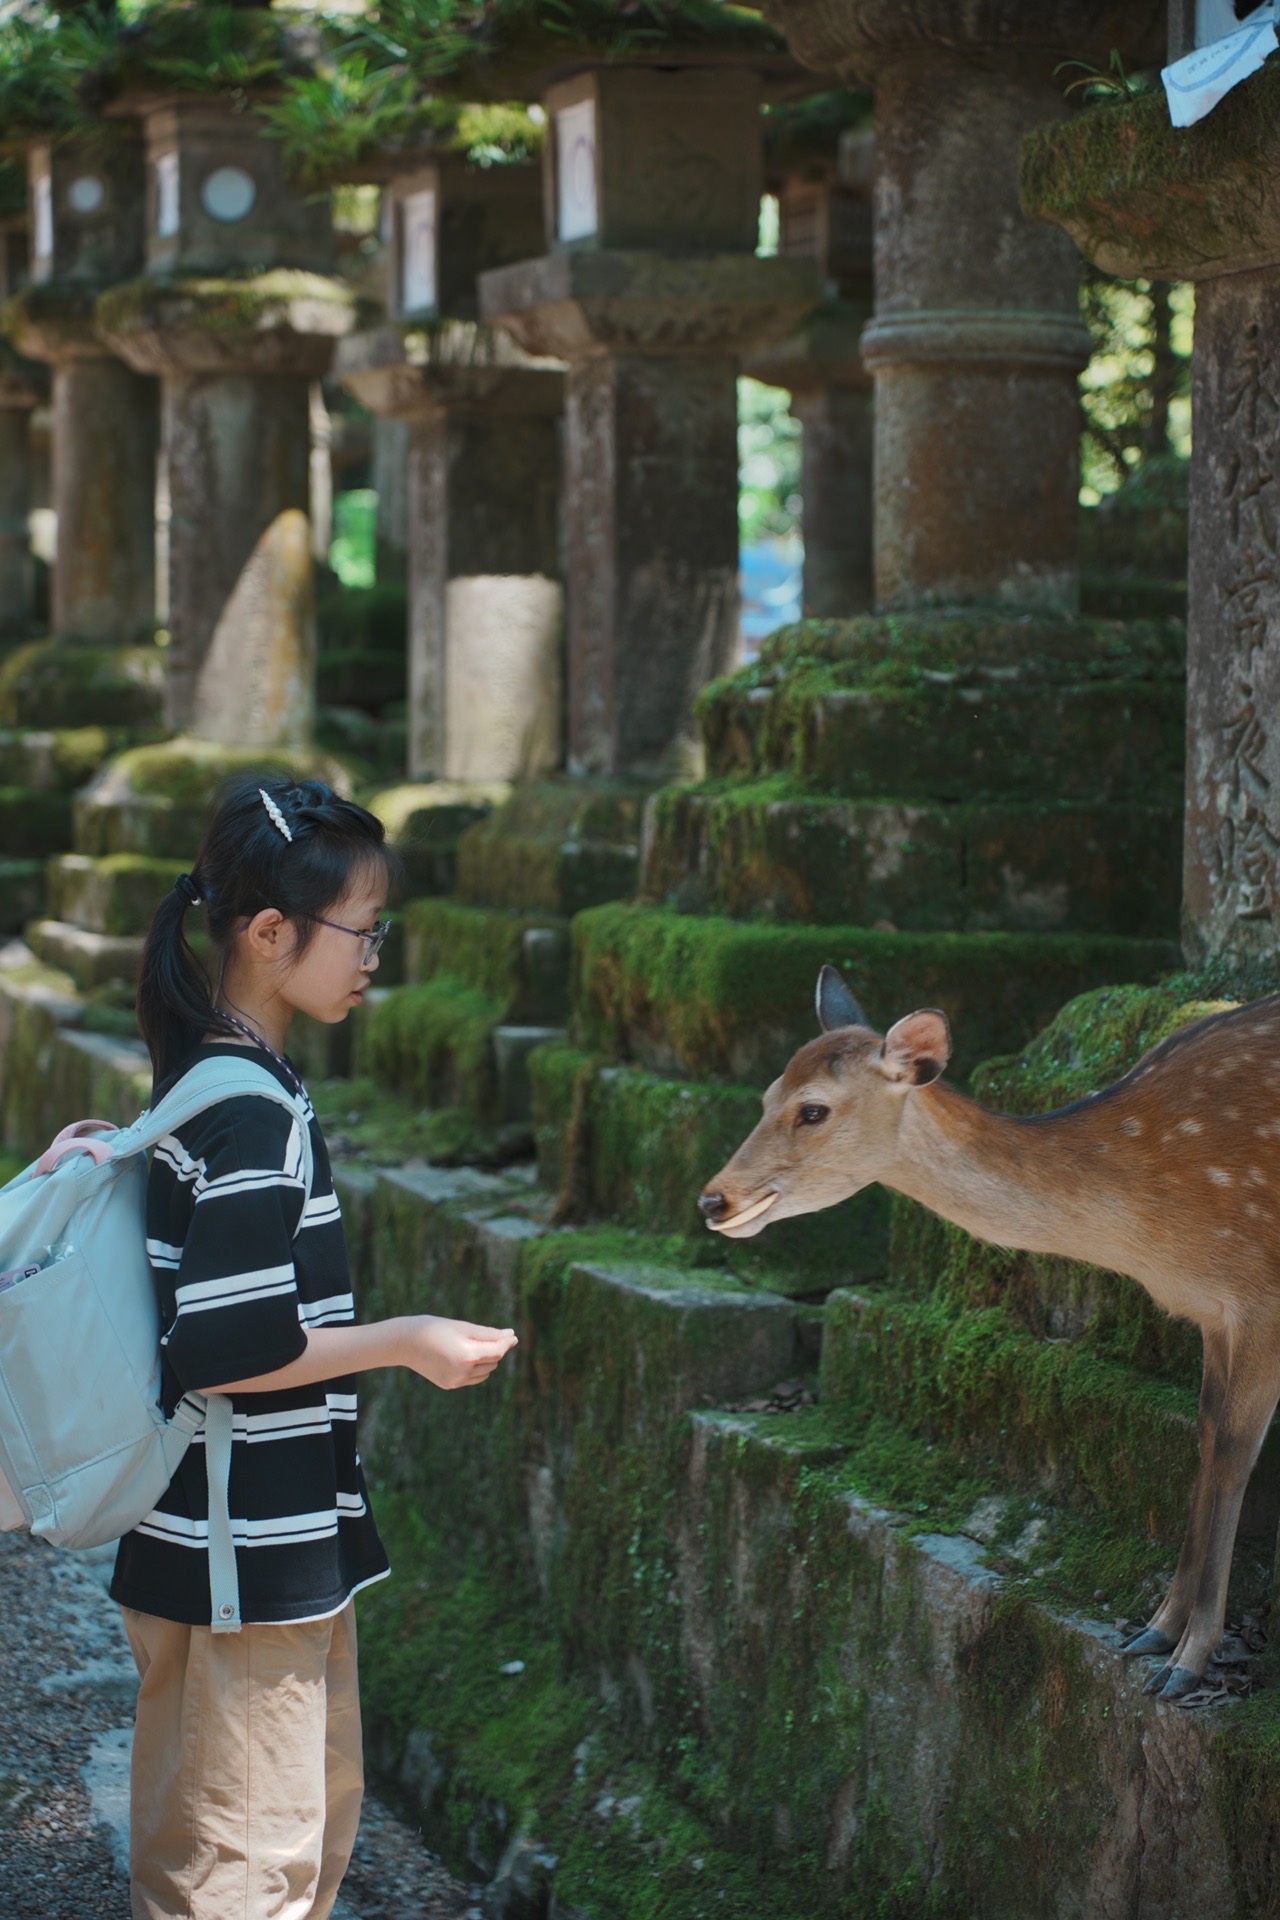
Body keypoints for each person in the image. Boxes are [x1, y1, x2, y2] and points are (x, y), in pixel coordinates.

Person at [113, 774, 518, 1920]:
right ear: (269, 933)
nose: (374, 954)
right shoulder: (253, 1109)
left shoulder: (208, 1074)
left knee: (195, 1843)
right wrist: (406, 1342)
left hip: (206, 1534)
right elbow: (228, 1350)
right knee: (255, 1867)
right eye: (362, 929)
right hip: (248, 1551)